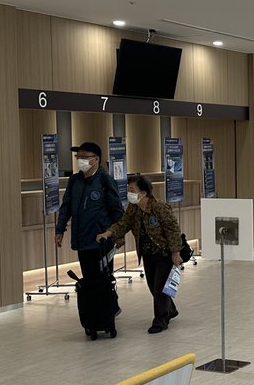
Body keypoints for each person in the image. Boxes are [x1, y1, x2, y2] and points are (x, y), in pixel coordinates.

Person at [97, 173, 183, 334]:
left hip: (163, 254)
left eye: (132, 190)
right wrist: (108, 233)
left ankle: (160, 320)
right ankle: (170, 310)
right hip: (147, 254)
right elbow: (123, 224)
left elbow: (173, 231)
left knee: (159, 288)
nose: (128, 193)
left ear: (143, 193)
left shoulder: (159, 208)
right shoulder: (134, 208)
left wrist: (175, 252)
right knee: (153, 286)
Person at [55, 142, 124, 327]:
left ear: (96, 160)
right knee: (89, 278)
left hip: (101, 241)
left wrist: (118, 234)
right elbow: (66, 207)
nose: (80, 160)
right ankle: (96, 314)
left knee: (103, 277)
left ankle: (108, 311)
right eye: (78, 157)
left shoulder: (105, 181)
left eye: (84, 157)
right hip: (82, 240)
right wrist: (60, 229)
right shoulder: (75, 180)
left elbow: (116, 209)